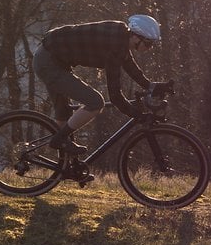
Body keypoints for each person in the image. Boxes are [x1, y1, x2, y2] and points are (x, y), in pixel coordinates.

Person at [33, 14, 165, 155]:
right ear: (136, 36)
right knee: (95, 102)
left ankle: (64, 167)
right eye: (149, 43)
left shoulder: (120, 34)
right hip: (49, 63)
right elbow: (115, 96)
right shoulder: (115, 48)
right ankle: (59, 140)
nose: (150, 48)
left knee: (64, 113)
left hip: (53, 56)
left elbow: (128, 64)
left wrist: (151, 86)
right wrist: (136, 114)